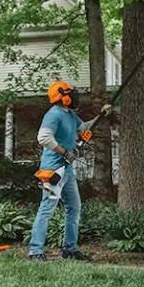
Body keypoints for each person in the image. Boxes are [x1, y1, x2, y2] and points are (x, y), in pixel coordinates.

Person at [28, 80, 92, 262]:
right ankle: (35, 251)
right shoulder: (53, 114)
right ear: (63, 97)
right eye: (70, 93)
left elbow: (84, 128)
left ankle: (70, 249)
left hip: (67, 170)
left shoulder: (70, 114)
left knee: (74, 207)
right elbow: (43, 137)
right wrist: (64, 152)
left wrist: (103, 114)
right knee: (47, 209)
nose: (74, 96)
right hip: (53, 170)